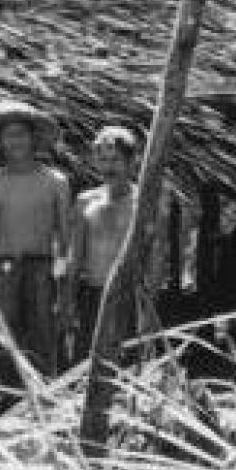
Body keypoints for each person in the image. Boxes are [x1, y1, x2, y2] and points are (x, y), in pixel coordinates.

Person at [0, 102, 71, 378]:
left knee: (43, 336)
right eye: (9, 135)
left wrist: (63, 282)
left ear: (33, 139)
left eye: (21, 134)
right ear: (0, 142)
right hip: (1, 268)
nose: (15, 141)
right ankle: (4, 405)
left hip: (42, 269)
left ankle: (42, 404)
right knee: (2, 339)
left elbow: (64, 239)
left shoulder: (56, 182)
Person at [67, 127, 170, 364]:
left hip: (131, 293)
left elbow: (157, 256)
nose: (108, 167)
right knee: (88, 359)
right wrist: (68, 299)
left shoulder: (146, 203)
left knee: (128, 361)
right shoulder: (85, 201)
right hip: (93, 292)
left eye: (115, 160)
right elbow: (75, 255)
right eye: (102, 160)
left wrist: (149, 305)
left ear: (132, 162)